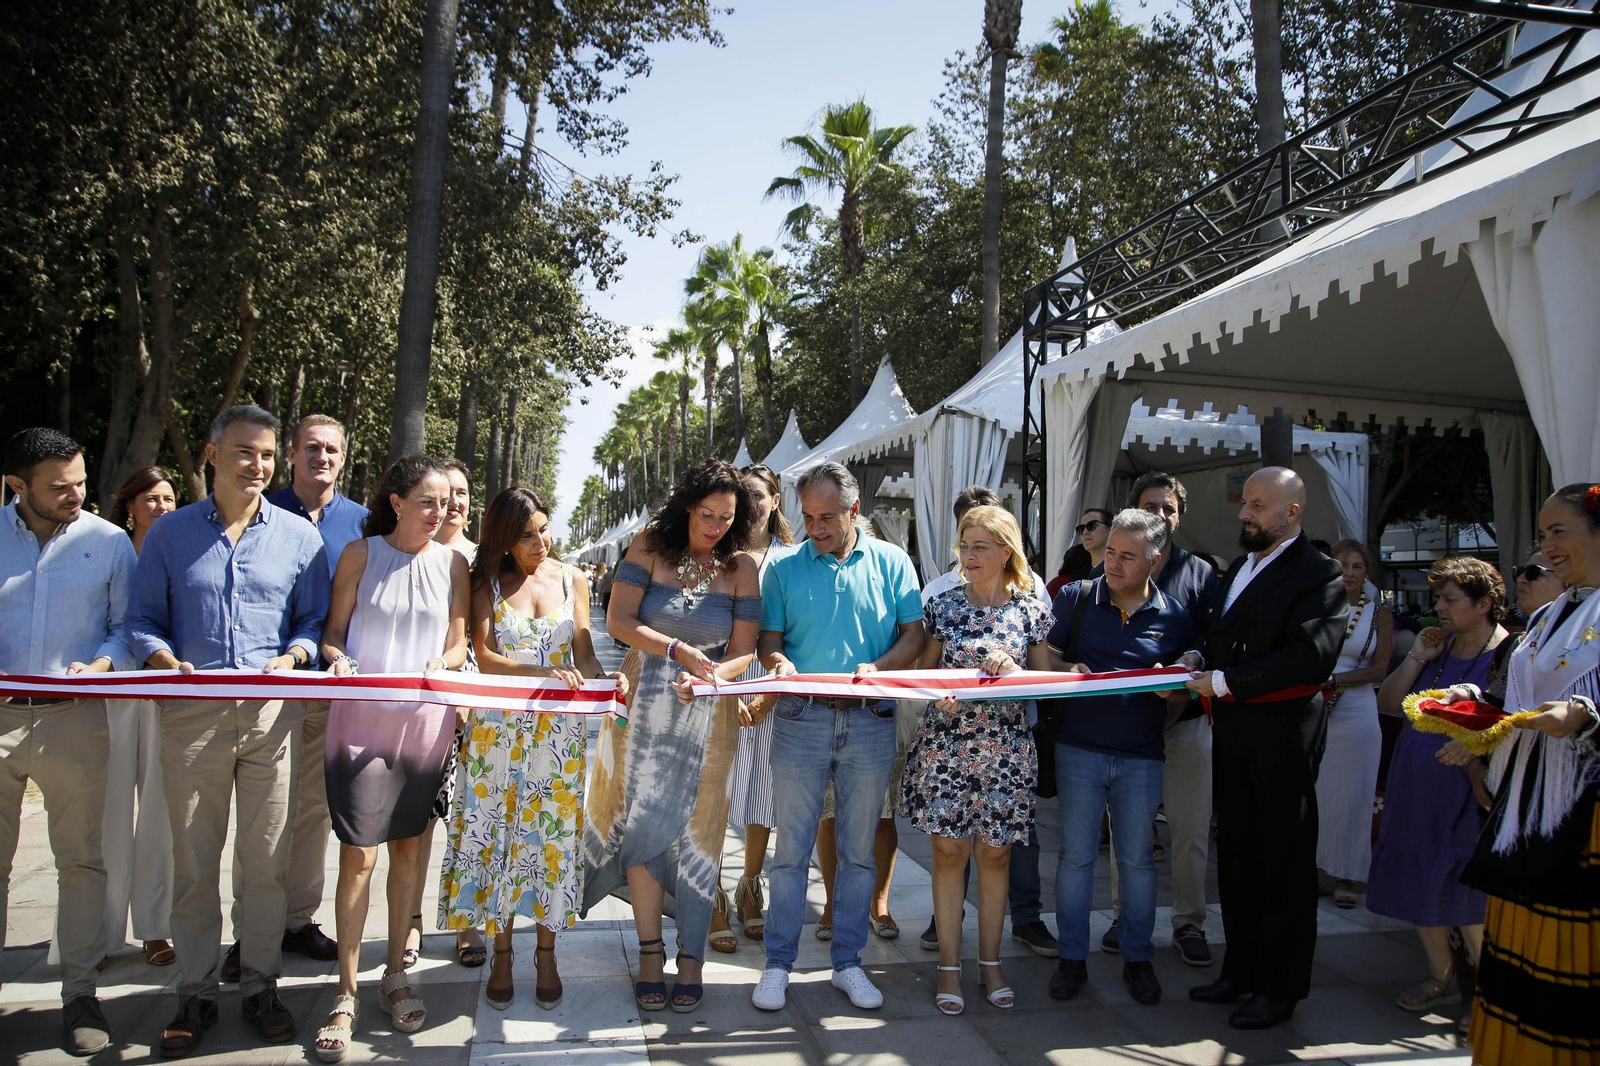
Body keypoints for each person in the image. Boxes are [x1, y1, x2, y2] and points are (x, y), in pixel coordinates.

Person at [127, 405, 331, 1057]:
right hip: (192, 717)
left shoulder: (300, 539)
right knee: (194, 861)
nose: (258, 465)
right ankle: (195, 992)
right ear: (212, 455)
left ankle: (262, 984)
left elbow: (312, 623)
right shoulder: (170, 535)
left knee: (266, 861)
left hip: (273, 718)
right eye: (245, 452)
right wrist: (163, 660)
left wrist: (294, 656)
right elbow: (141, 621)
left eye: (268, 455)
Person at [309, 457, 469, 1060]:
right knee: (357, 856)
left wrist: (445, 664)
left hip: (426, 725)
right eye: (427, 502)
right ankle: (345, 991)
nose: (440, 513)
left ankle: (395, 977)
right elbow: (333, 632)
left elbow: (458, 641)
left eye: (446, 503)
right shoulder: (358, 554)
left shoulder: (455, 563)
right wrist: (337, 658)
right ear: (396, 502)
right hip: (359, 724)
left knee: (408, 848)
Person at [583, 461, 759, 1012]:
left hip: (709, 708)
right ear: (687, 505)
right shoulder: (647, 547)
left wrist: (712, 677)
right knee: (641, 823)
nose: (715, 527)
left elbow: (744, 651)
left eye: (727, 518)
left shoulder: (742, 567)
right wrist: (676, 650)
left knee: (702, 830)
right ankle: (649, 954)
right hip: (640, 705)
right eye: (707, 514)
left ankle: (692, 957)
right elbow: (617, 620)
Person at [1433, 486, 1600, 1064]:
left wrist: (1585, 716)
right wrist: (1470, 702)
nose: (1547, 548)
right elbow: (1516, 696)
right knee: (1522, 948)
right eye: (1543, 534)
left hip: (1586, 814)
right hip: (1526, 806)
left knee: (1572, 955)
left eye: (1559, 532)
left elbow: (1581, 705)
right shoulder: (1553, 613)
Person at [751, 462, 925, 1013]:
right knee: (790, 854)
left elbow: (914, 635)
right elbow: (769, 641)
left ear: (854, 511)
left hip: (871, 720)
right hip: (801, 718)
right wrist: (776, 662)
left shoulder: (894, 562)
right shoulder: (781, 569)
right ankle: (778, 965)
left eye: (827, 517)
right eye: (807, 517)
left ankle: (848, 963)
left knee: (857, 856)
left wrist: (881, 667)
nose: (815, 528)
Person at [439, 487, 619, 1011]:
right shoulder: (486, 584)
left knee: (549, 841)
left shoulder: (573, 578)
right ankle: (500, 952)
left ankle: (546, 954)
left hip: (556, 739)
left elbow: (583, 651)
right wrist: (543, 672)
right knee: (498, 837)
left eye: (543, 528)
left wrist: (607, 686)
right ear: (503, 538)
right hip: (498, 735)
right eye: (525, 534)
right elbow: (486, 657)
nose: (540, 541)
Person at [1185, 466, 1346, 1030]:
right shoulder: (1243, 568)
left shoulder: (1319, 574)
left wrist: (1227, 682)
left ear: (1291, 513)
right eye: (1246, 503)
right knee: (1239, 857)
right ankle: (1242, 969)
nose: (1244, 513)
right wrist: (1200, 659)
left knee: (1282, 861)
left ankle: (1279, 988)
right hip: (1236, 733)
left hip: (1282, 733)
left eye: (1257, 505)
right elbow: (1223, 635)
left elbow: (1311, 656)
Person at [1, 428, 137, 1056]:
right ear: (17, 486)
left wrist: (104, 664)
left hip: (77, 720)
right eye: (59, 487)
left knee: (81, 861)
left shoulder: (108, 542)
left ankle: (81, 991)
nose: (76, 495)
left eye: (81, 481)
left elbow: (126, 627)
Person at [222, 413, 365, 983]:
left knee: (308, 812)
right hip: (264, 690)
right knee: (260, 821)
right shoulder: (258, 509)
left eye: (331, 449)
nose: (321, 457)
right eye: (310, 448)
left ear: (343, 457)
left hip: (329, 692)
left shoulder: (363, 522)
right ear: (290, 453)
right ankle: (251, 931)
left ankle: (297, 921)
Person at [903, 505, 1053, 1015]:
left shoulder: (1030, 609)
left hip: (1006, 750)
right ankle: (950, 965)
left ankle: (990, 962)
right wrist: (937, 693)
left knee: (996, 855)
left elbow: (1046, 681)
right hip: (947, 747)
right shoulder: (943, 605)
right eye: (965, 546)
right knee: (949, 855)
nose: (968, 556)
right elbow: (925, 675)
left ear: (1006, 551)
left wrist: (1013, 668)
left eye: (980, 547)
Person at [1044, 509, 1196, 1007]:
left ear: (1154, 560)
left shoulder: (1174, 616)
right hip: (1079, 749)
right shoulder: (1076, 597)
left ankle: (1138, 959)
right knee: (1076, 859)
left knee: (1137, 863)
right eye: (1109, 551)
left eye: (1127, 556)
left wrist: (1169, 693)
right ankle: (1072, 959)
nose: (1112, 563)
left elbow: (1182, 695)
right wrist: (1069, 669)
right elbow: (1041, 657)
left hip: (1142, 756)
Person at [1368, 557, 1507, 1015]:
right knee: (1419, 883)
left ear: (1484, 604)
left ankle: (1491, 999)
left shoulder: (1505, 654)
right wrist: (1417, 657)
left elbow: (1513, 720)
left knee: (1465, 894)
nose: (1439, 608)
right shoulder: (1439, 648)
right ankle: (1439, 974)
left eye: (1450, 599)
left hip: (1464, 791)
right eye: (1437, 598)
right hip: (1416, 786)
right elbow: (1390, 703)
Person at [1102, 472, 1220, 967]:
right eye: (1151, 507)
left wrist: (1193, 656)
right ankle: (1124, 918)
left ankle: (1188, 922)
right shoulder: (1111, 567)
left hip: (1187, 722)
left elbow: (1217, 636)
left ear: (1179, 515)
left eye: (1168, 509)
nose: (1160, 516)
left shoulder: (1204, 574)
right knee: (1127, 832)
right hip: (1129, 727)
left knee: (1190, 830)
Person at [403, 455, 486, 971]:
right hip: (418, 710)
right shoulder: (407, 553)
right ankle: (407, 921)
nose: (452, 503)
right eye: (442, 492)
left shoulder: (485, 560)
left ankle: (467, 921)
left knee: (471, 819)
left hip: (479, 715)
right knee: (416, 822)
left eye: (461, 493)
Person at [712, 463, 798, 952]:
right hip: (721, 676)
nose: (751, 503)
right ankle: (713, 892)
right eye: (742, 495)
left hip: (771, 682)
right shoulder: (718, 554)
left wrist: (770, 690)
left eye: (758, 494)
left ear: (776, 498)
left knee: (761, 788)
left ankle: (749, 888)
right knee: (718, 787)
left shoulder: (791, 558)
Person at [98, 467, 179, 970]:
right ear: (130, 505)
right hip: (106, 692)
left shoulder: (180, 549)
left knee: (159, 815)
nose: (162, 506)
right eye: (151, 498)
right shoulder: (110, 549)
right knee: (104, 812)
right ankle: (101, 933)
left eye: (169, 498)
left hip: (161, 694)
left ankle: (154, 927)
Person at [1315, 540, 1394, 909]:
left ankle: (1349, 875)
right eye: (1342, 565)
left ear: (1367, 572)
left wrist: (1335, 682)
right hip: (1315, 707)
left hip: (1358, 707)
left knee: (1355, 795)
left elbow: (1380, 669)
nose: (1349, 572)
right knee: (1317, 792)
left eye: (1357, 566)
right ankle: (1314, 869)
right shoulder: (1315, 606)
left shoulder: (1379, 615)